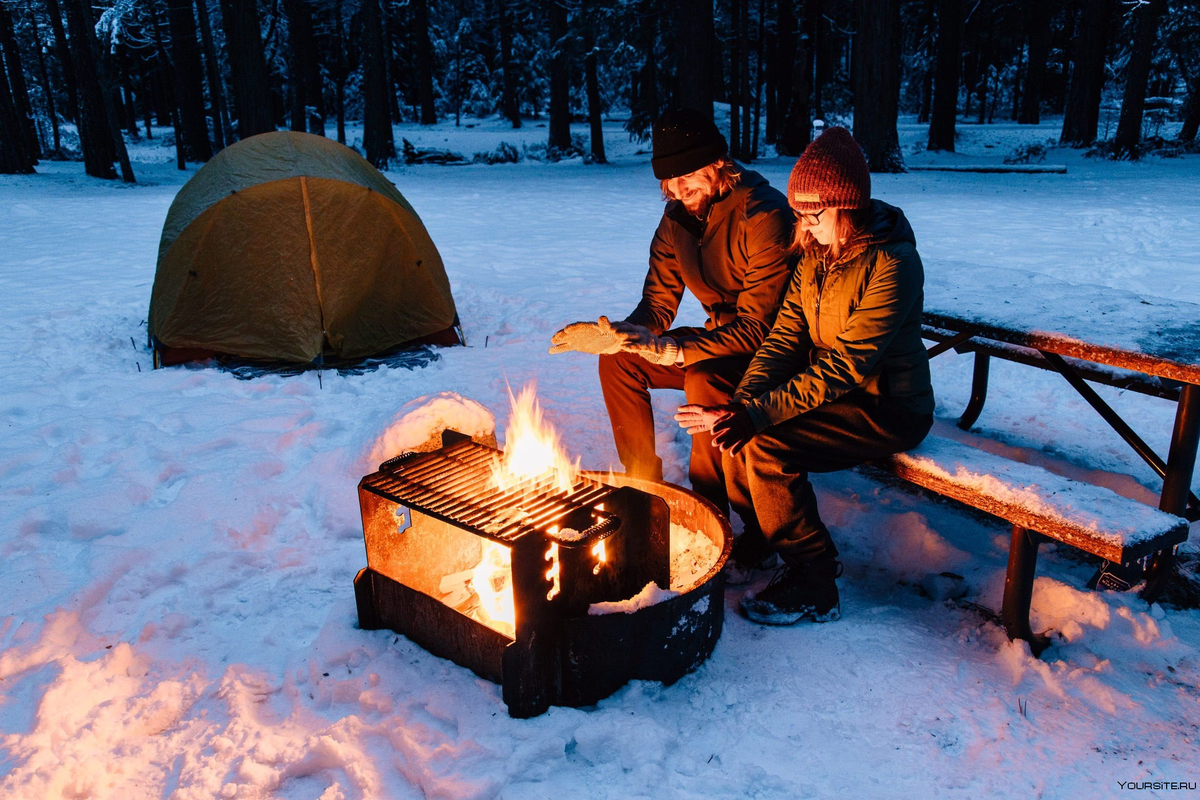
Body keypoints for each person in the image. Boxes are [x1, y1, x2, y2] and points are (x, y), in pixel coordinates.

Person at [675, 127, 935, 625]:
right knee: (738, 431)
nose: (805, 226)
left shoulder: (894, 263)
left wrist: (755, 414)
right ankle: (762, 538)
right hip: (837, 394)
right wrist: (742, 404)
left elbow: (847, 365)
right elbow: (784, 340)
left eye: (814, 215)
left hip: (888, 406)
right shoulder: (815, 258)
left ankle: (814, 578)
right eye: (800, 215)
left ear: (846, 208)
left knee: (768, 445)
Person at [550, 108, 794, 516]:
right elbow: (658, 303)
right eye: (669, 181)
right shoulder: (677, 218)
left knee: (703, 379)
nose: (678, 190)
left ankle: (713, 510)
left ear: (718, 163)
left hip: (775, 355)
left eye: (686, 177)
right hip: (720, 343)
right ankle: (643, 487)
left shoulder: (764, 214)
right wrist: (624, 335)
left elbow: (757, 328)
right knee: (620, 362)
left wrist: (672, 351)